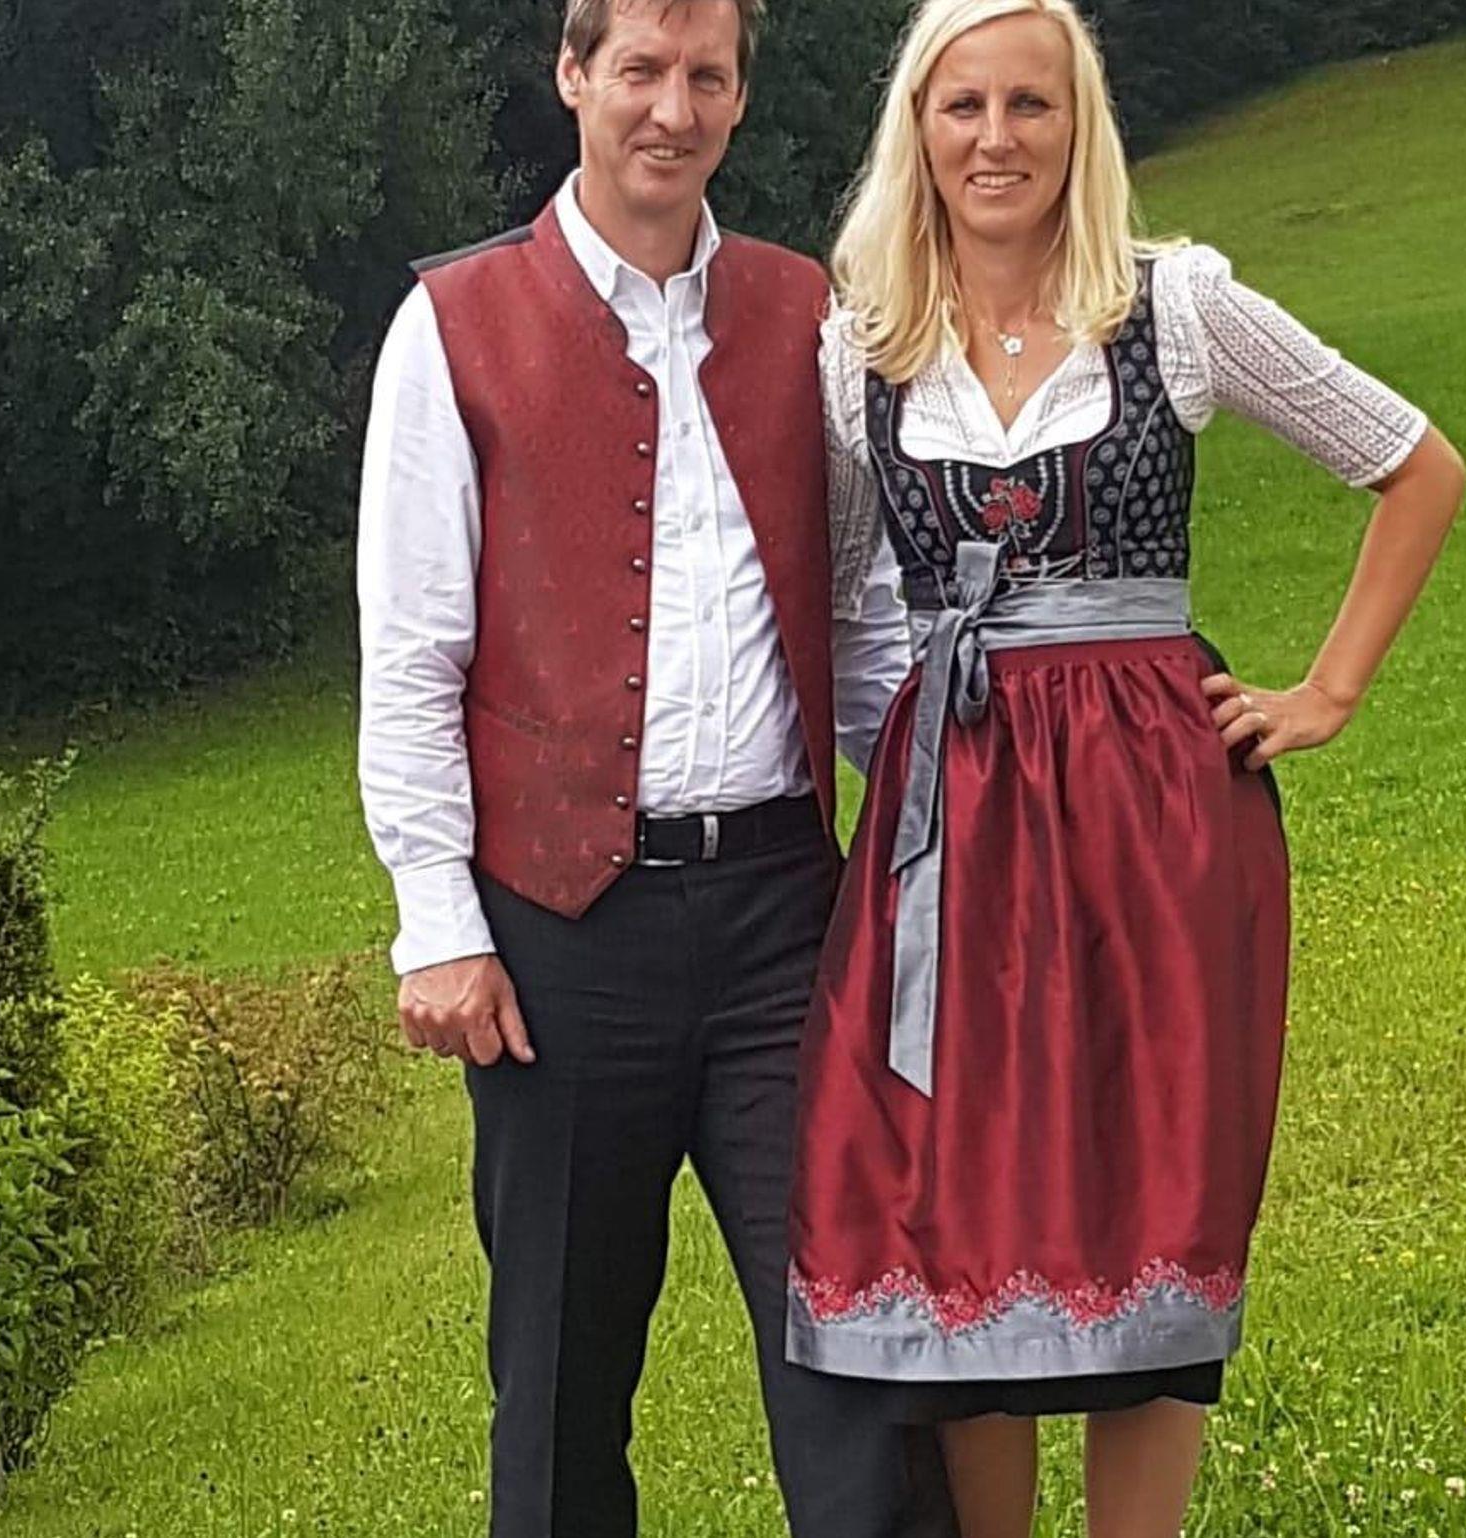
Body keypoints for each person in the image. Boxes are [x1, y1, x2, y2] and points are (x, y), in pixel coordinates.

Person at [783, 2, 1466, 1535]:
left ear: (1080, 121)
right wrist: (903, 772)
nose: (997, 137)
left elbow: (1416, 464)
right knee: (967, 1198)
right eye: (964, 105)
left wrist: (1328, 689)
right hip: (956, 831)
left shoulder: (1174, 307)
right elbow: (836, 598)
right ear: (918, 127)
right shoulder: (864, 349)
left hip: (1155, 819)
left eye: (1030, 104)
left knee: (1146, 1176)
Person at [356, 2, 956, 1535]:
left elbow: (863, 621)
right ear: (573, 77)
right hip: (558, 941)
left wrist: (944, 850)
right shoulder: (454, 327)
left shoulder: (810, 314)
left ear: (740, 96)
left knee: (865, 1356)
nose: (671, 110)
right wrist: (438, 921)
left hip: (784, 926)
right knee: (560, 1392)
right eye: (639, 69)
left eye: (705, 76)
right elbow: (412, 656)